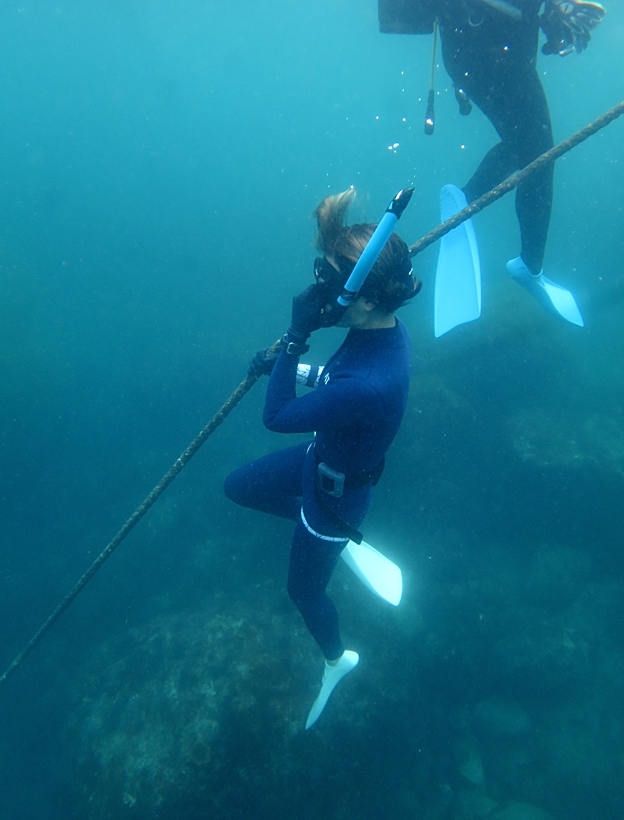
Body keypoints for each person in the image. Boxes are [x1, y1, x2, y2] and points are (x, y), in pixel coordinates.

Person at [224, 187, 420, 728]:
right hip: (319, 463)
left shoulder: (371, 383)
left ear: (367, 297)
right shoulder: (379, 331)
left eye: (334, 283)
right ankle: (332, 543)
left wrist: (292, 342)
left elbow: (277, 417)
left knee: (301, 591)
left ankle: (338, 660)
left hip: (335, 499)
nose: (324, 292)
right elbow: (333, 381)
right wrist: (291, 365)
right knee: (238, 488)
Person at [379, 0, 605, 332]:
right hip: (485, 48)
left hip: (488, 50)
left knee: (528, 146)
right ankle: (527, 262)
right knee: (538, 151)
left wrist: (551, 13)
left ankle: (467, 201)